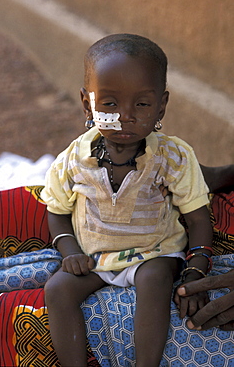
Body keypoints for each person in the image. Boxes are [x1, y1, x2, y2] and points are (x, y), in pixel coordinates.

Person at [41, 33, 213, 367]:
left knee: (156, 279)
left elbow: (197, 218)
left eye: (142, 104)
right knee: (58, 290)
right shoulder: (72, 159)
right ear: (86, 103)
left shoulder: (174, 157)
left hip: (154, 251)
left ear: (161, 105)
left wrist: (196, 271)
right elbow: (57, 212)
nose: (125, 115)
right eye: (109, 104)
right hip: (96, 257)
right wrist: (71, 252)